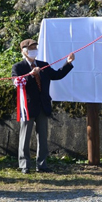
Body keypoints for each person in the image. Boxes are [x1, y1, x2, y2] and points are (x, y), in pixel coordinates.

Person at [12, 39, 75, 174]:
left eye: (35, 47)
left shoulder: (43, 65)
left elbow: (57, 75)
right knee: (25, 136)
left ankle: (42, 164)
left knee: (43, 137)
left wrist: (68, 63)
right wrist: (31, 75)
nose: (33, 50)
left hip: (43, 105)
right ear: (23, 51)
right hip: (27, 107)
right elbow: (17, 82)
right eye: (30, 48)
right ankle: (24, 165)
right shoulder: (18, 67)